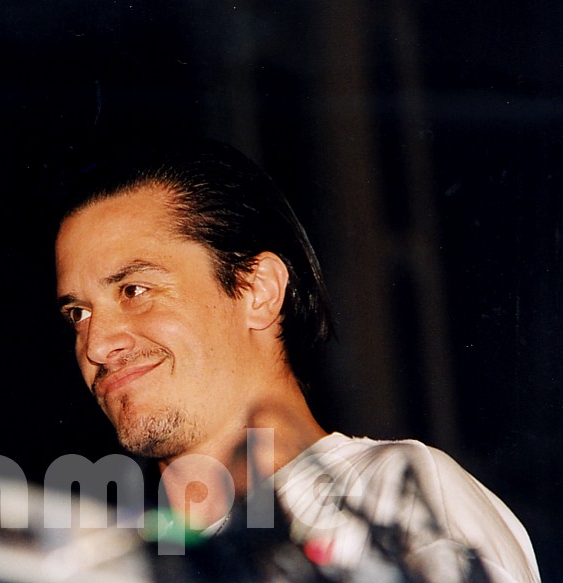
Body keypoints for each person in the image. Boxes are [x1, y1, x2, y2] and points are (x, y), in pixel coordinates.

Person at [52, 137, 540, 582]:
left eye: (134, 290)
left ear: (258, 290)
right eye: (78, 313)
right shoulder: (115, 564)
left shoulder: (392, 496)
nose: (96, 345)